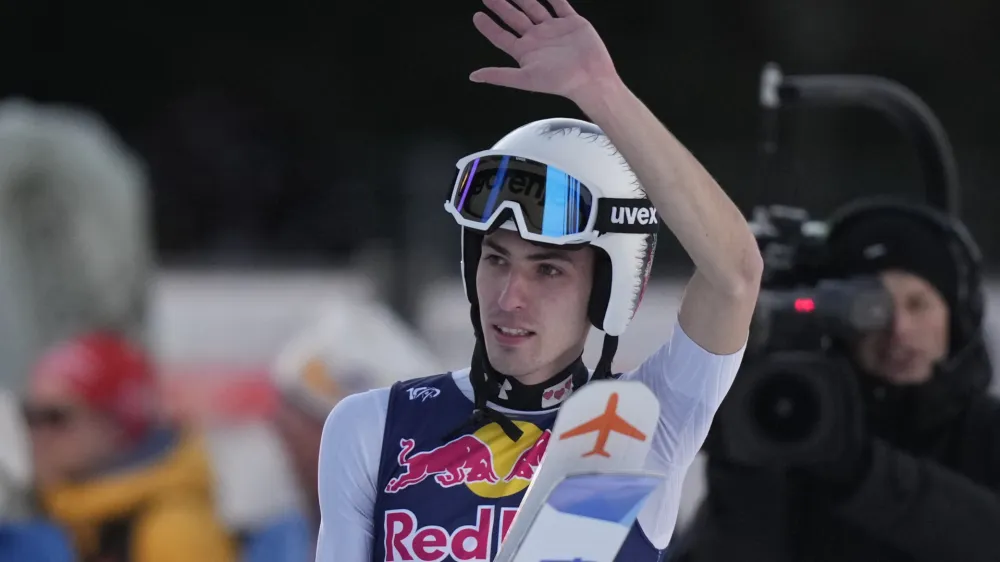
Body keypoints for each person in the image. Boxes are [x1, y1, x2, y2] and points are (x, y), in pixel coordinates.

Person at [315, 0, 763, 560]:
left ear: (608, 287)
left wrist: (602, 92)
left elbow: (735, 277)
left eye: (548, 269)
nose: (509, 298)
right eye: (496, 259)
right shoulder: (371, 428)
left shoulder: (645, 422)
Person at [671, 200, 1000, 562]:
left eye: (917, 304)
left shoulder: (985, 434)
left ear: (957, 313)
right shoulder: (794, 424)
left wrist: (863, 471)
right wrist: (739, 465)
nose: (898, 331)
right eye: (870, 309)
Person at [25, 332, 238, 562]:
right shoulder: (75, 518)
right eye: (29, 415)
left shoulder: (173, 531)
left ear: (115, 423)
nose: (38, 432)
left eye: (55, 417)